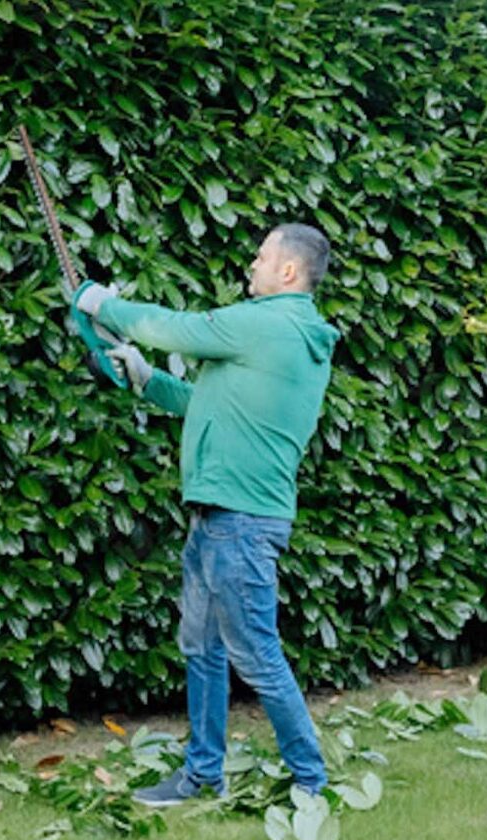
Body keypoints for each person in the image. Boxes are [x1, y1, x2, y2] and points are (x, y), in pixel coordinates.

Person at [75, 223, 340, 807]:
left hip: (240, 521)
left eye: (262, 256)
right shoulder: (282, 338)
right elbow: (206, 404)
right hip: (219, 518)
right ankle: (202, 775)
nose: (253, 263)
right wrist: (147, 380)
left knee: (256, 653)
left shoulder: (271, 323)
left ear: (288, 272)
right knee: (203, 647)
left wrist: (104, 305)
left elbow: (180, 329)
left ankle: (312, 783)